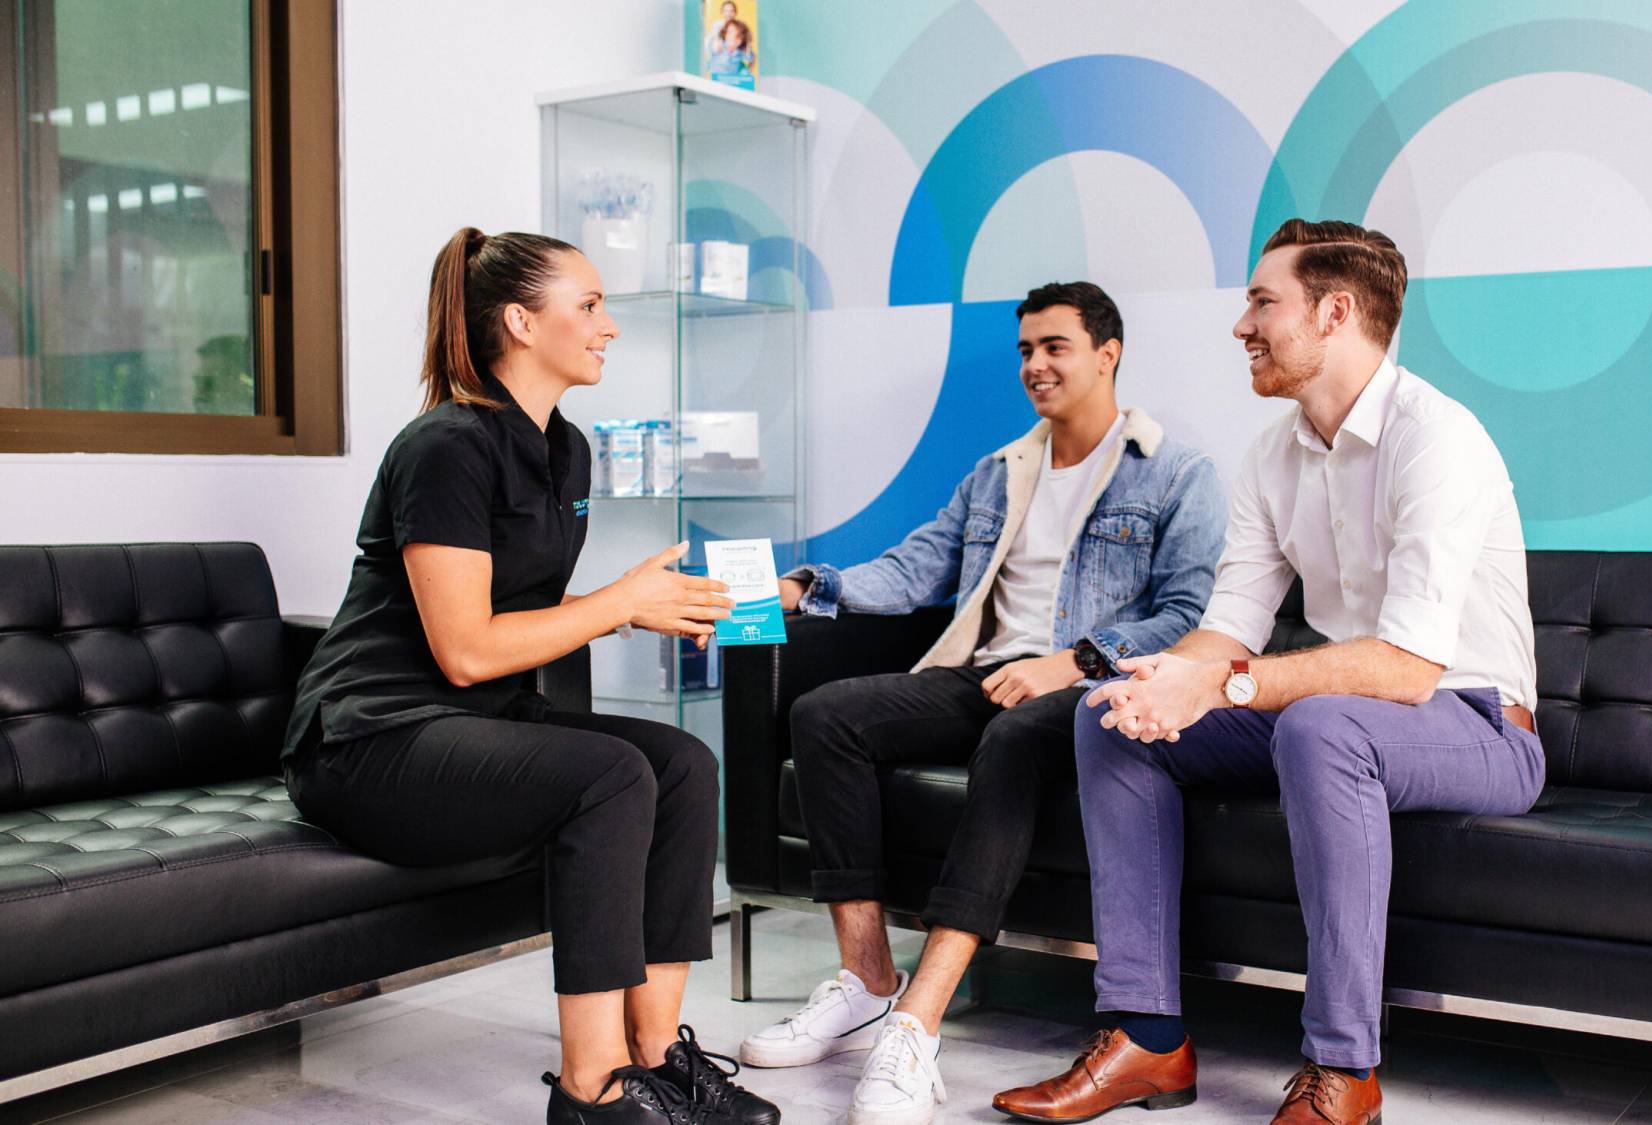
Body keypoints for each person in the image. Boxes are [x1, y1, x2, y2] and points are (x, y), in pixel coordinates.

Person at [992, 221, 1543, 1125]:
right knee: (1108, 713)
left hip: (1478, 723)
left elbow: (1407, 669)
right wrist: (1162, 676)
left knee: (1318, 723)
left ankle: (1343, 1073)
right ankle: (1147, 1039)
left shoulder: (1437, 439)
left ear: (1333, 312)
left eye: (1261, 302)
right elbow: (1229, 630)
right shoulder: (1272, 455)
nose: (1240, 325)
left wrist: (1225, 685)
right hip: (1347, 719)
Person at [282, 227, 779, 1125]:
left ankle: (656, 1054)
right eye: (588, 305)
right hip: (370, 739)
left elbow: (519, 617)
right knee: (609, 774)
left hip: (477, 724)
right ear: (520, 320)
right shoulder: (443, 446)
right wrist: (622, 601)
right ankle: (591, 1089)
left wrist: (654, 602)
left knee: (682, 763)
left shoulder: (567, 450)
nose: (608, 327)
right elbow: (466, 648)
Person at [739, 282, 1227, 1125]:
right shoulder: (999, 472)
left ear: (1108, 354)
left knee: (1012, 736)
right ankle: (866, 979)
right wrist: (802, 587)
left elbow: (1188, 613)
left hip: (1091, 687)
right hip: (986, 672)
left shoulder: (1179, 472)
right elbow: (912, 569)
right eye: (1025, 350)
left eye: (1055, 347)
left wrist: (1073, 660)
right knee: (825, 713)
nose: (1035, 365)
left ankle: (917, 1023)